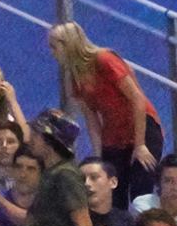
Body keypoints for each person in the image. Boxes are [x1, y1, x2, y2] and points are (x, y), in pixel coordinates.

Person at [48, 21, 163, 199]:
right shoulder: (75, 77)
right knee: (112, 192)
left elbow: (137, 98)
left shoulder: (104, 60)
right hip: (113, 135)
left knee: (141, 191)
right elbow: (91, 118)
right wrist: (98, 154)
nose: (52, 53)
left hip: (141, 126)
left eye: (54, 47)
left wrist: (140, 145)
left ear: (68, 44)